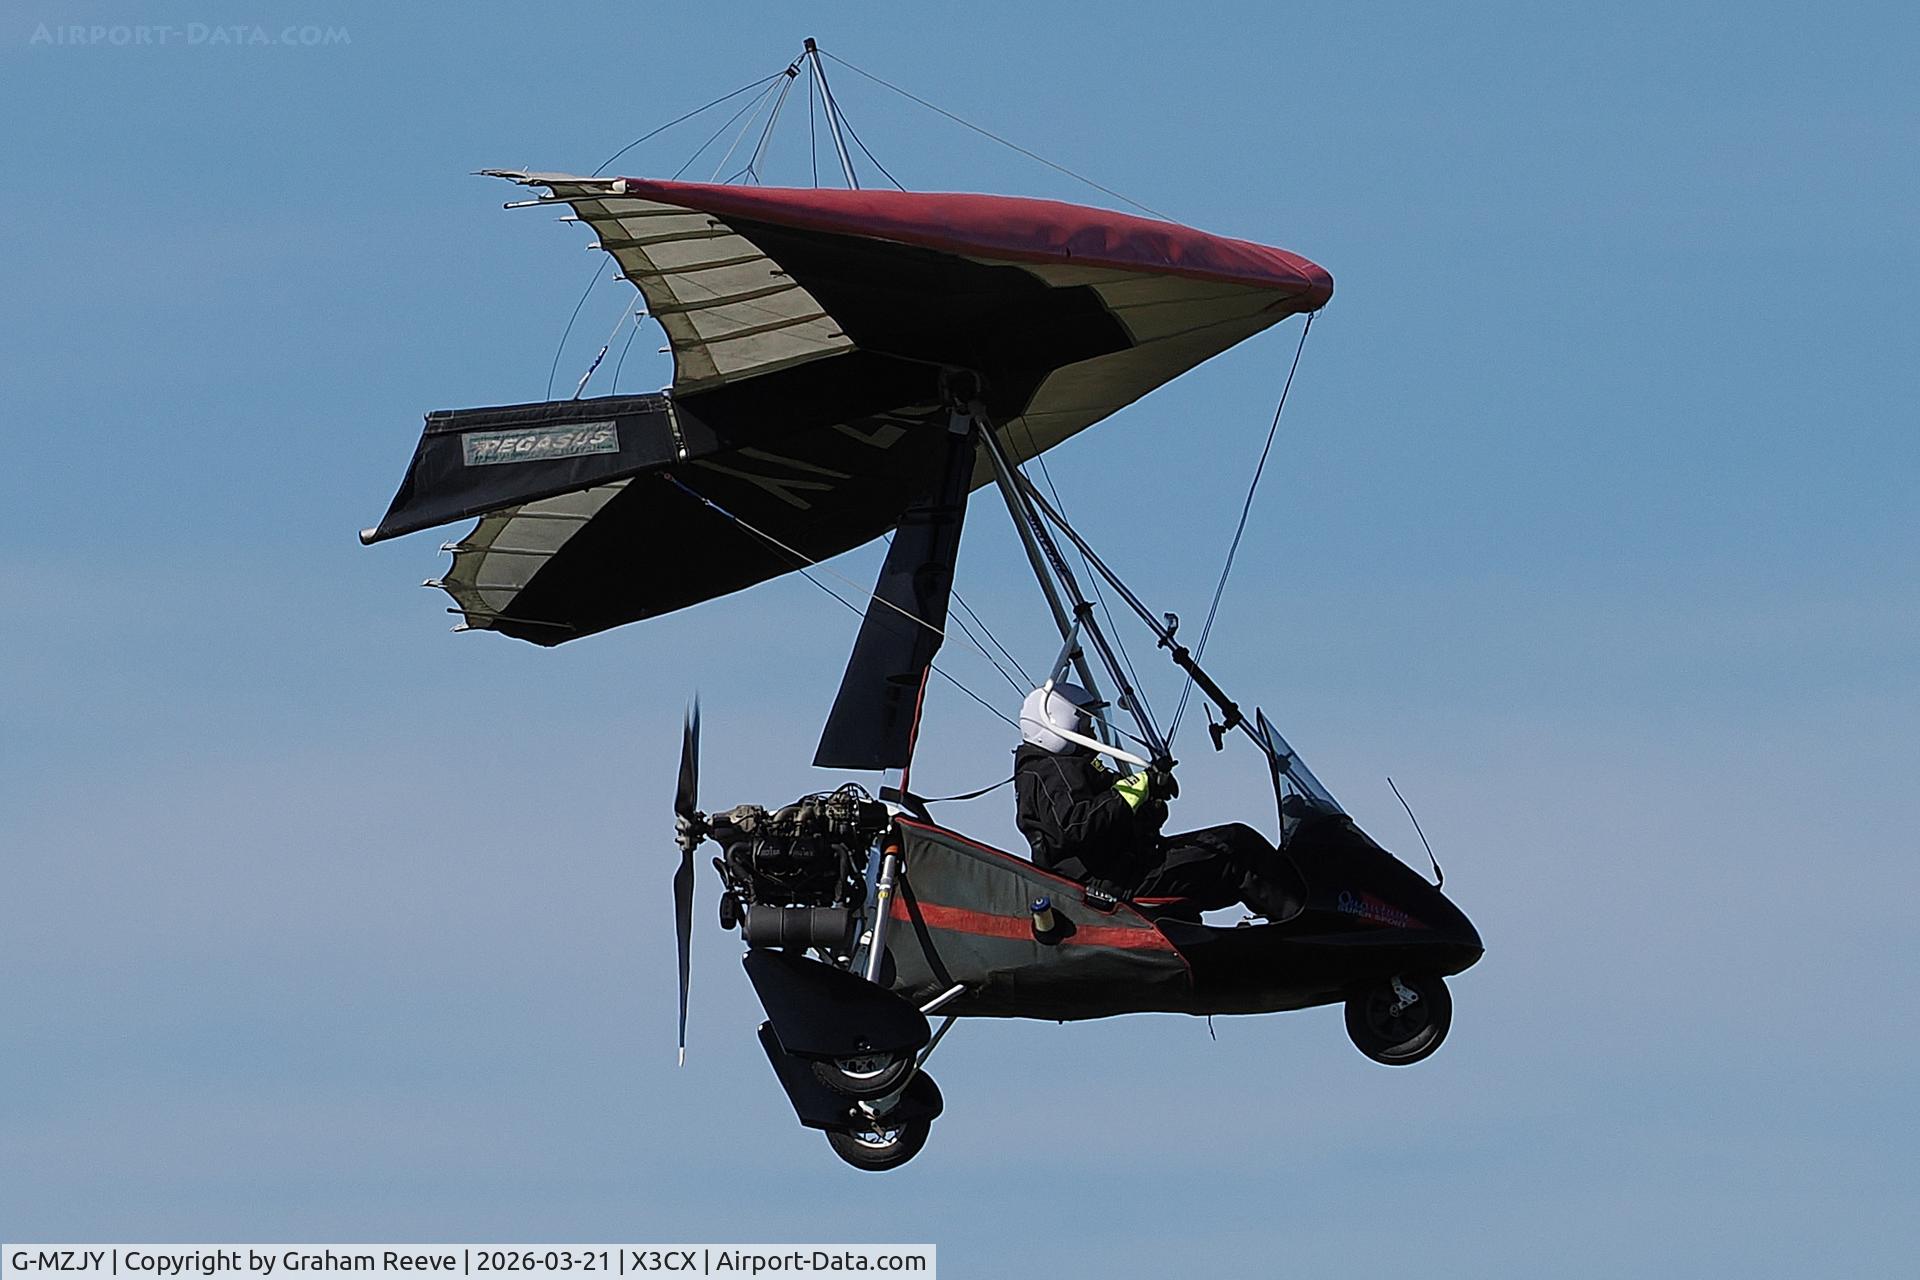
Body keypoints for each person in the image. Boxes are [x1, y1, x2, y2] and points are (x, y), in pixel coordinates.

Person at [1012, 682, 1290, 919]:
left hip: (1127, 869)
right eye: (1085, 723)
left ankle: (1269, 932)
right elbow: (1076, 825)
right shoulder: (1048, 770)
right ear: (1060, 723)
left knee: (1230, 849)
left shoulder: (1075, 766)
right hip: (1110, 885)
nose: (1092, 732)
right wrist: (1138, 787)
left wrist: (1151, 801)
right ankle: (1301, 921)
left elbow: (1118, 818)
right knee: (1236, 847)